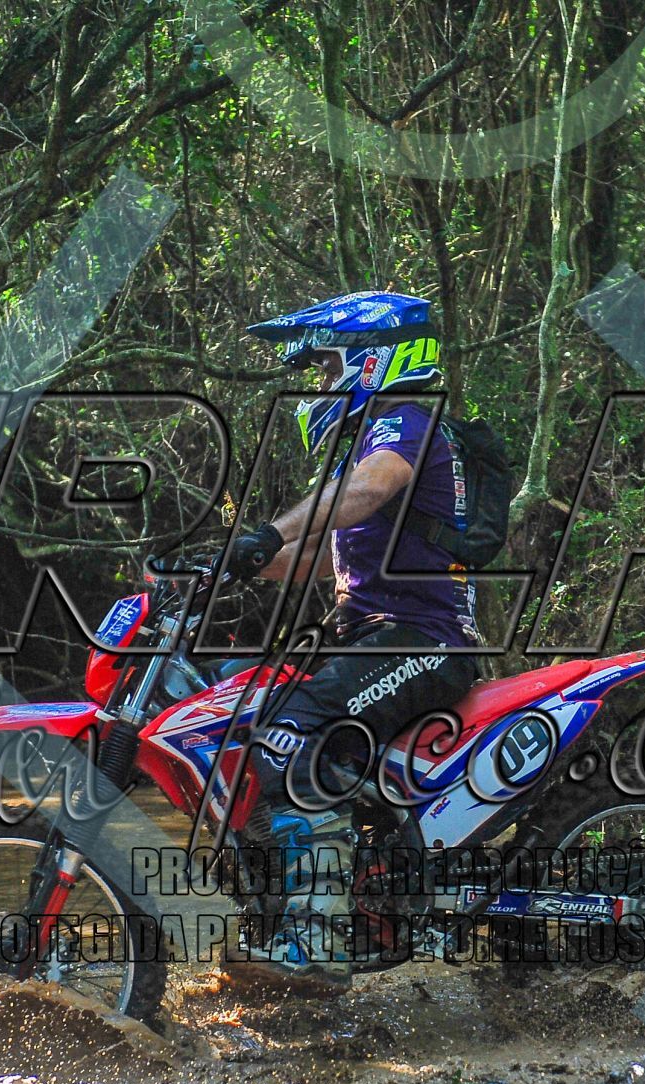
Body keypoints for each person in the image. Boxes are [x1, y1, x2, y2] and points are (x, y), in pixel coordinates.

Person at [221, 290, 481, 993]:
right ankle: (317, 900)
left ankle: (319, 940)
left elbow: (367, 492)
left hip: (422, 640)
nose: (323, 382)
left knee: (290, 734)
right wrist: (218, 567)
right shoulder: (377, 438)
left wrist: (269, 530)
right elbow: (317, 559)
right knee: (241, 701)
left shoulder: (405, 423)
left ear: (375, 359)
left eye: (330, 365)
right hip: (381, 639)